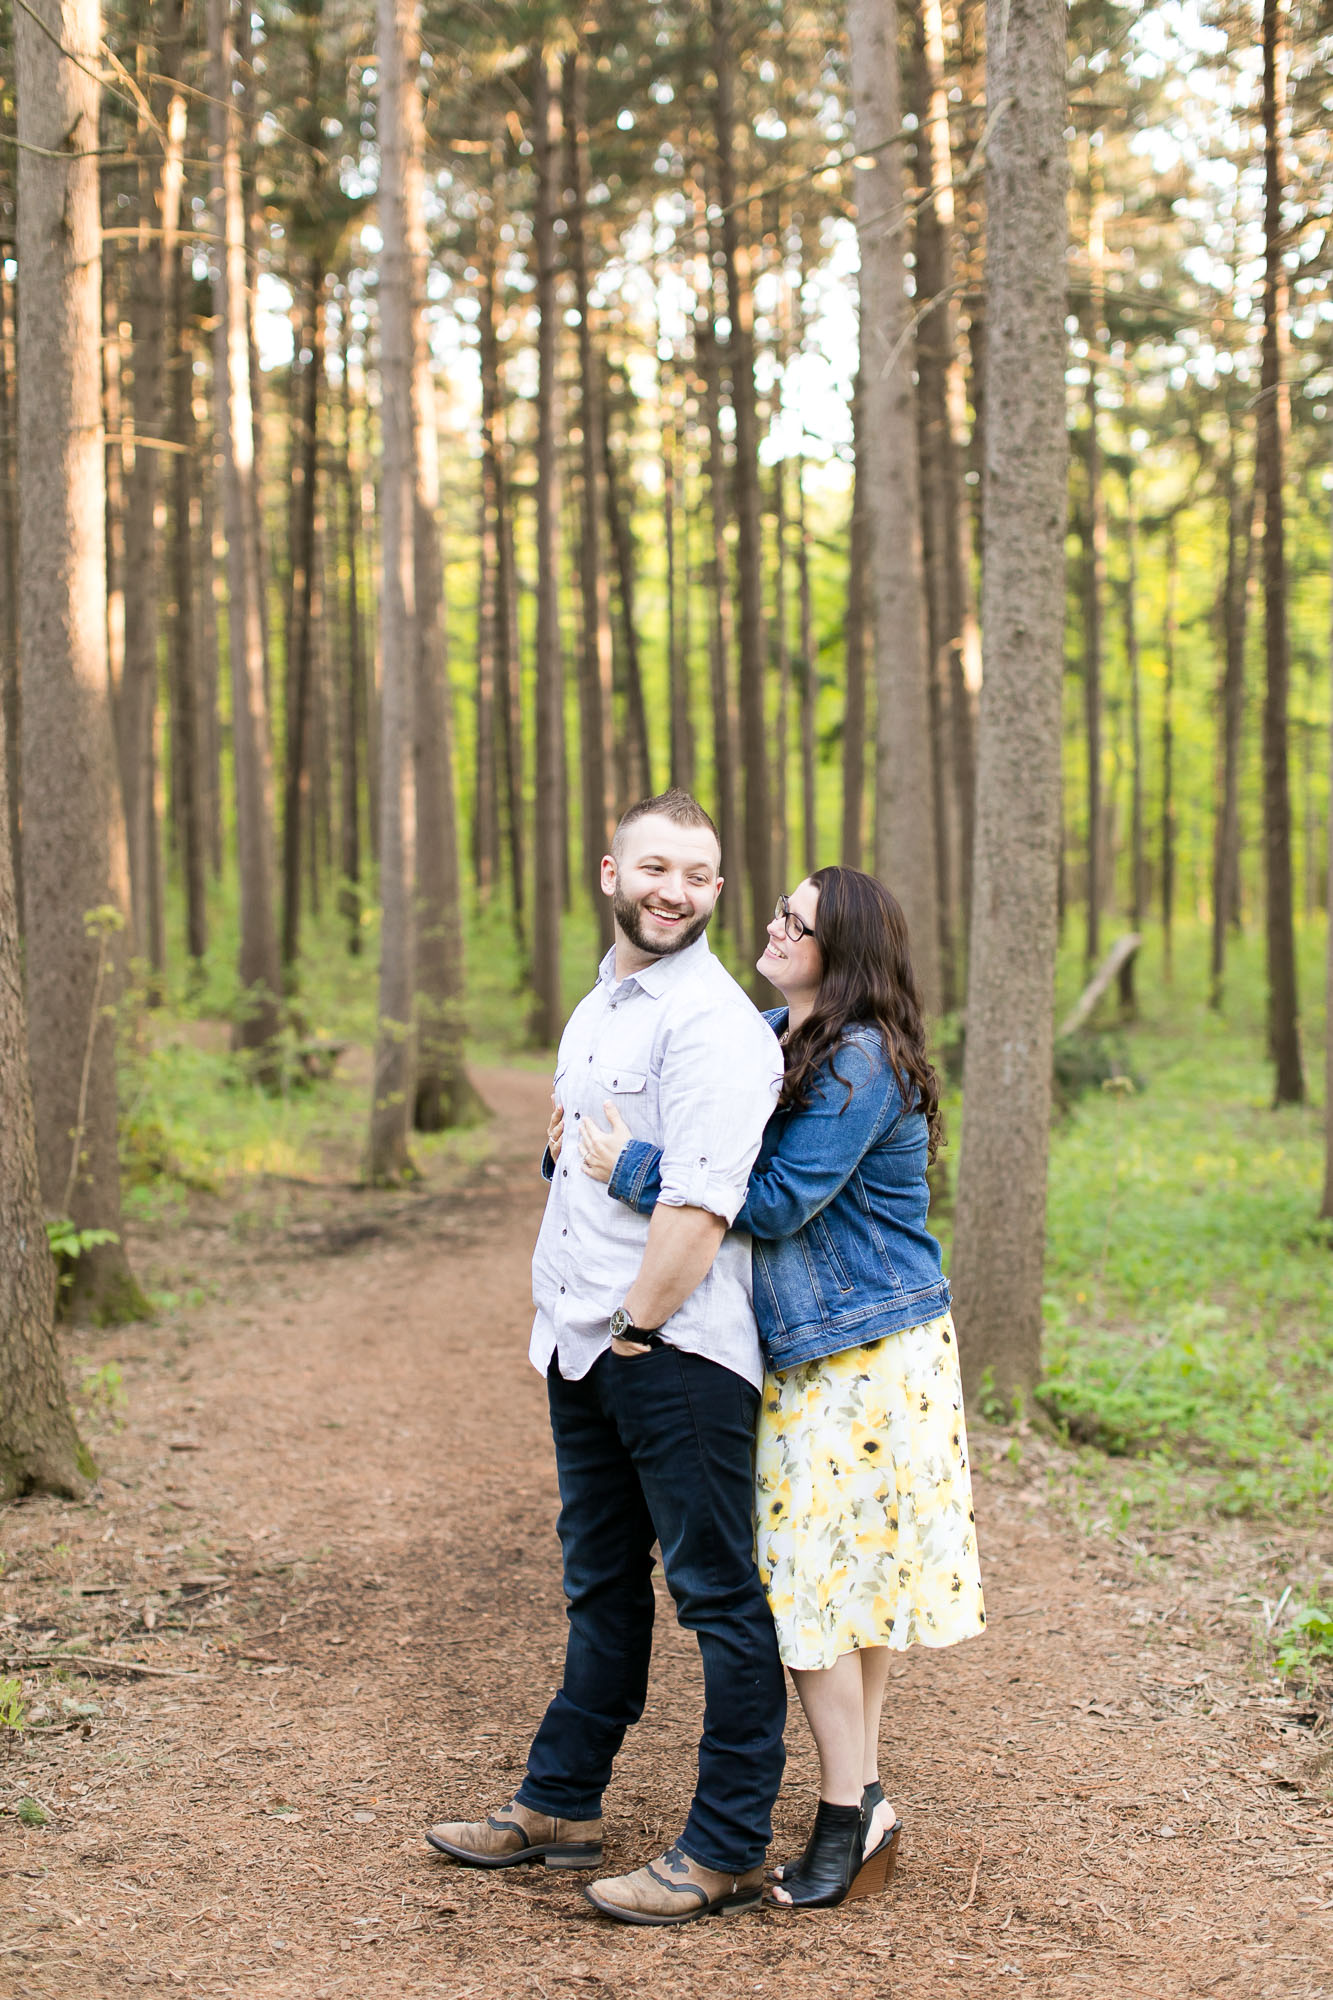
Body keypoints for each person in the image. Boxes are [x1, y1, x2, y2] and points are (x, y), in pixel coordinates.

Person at [578, 866, 986, 1910]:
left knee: (807, 1587)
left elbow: (770, 1200)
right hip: (822, 1350)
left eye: (795, 922)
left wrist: (632, 1166)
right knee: (843, 1586)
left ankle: (848, 1808)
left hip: (867, 1354)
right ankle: (863, 1800)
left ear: (838, 951)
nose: (772, 925)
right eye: (778, 910)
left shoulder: (857, 1063)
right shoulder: (776, 1030)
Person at [426, 789, 789, 1927]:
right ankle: (560, 1801)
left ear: (718, 891)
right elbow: (583, 1154)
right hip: (581, 1341)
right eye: (656, 866)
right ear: (610, 871)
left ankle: (726, 1842)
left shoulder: (715, 1025)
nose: (674, 889)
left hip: (669, 1348)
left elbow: (700, 1204)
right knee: (596, 1579)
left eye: (697, 873)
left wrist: (636, 1324)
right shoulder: (603, 1003)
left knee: (718, 1595)